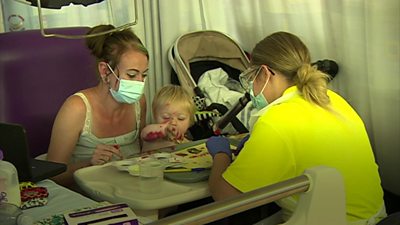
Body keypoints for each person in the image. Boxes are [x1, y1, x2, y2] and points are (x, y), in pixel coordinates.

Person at [206, 31, 386, 225]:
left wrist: (221, 155)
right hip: (375, 217)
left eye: (251, 77)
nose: (251, 88)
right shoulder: (332, 99)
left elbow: (225, 198)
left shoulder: (275, 121)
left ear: (265, 73)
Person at [46, 25, 148, 188]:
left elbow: (143, 155)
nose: (139, 83)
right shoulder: (76, 108)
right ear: (104, 71)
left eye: (144, 75)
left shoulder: (139, 102)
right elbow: (52, 176)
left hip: (130, 189)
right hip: (89, 196)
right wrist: (89, 164)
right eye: (131, 75)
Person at [141, 84, 195, 152]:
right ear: (155, 116)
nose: (173, 122)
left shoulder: (186, 142)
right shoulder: (152, 137)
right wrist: (164, 130)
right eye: (166, 117)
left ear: (190, 121)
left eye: (181, 118)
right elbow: (144, 134)